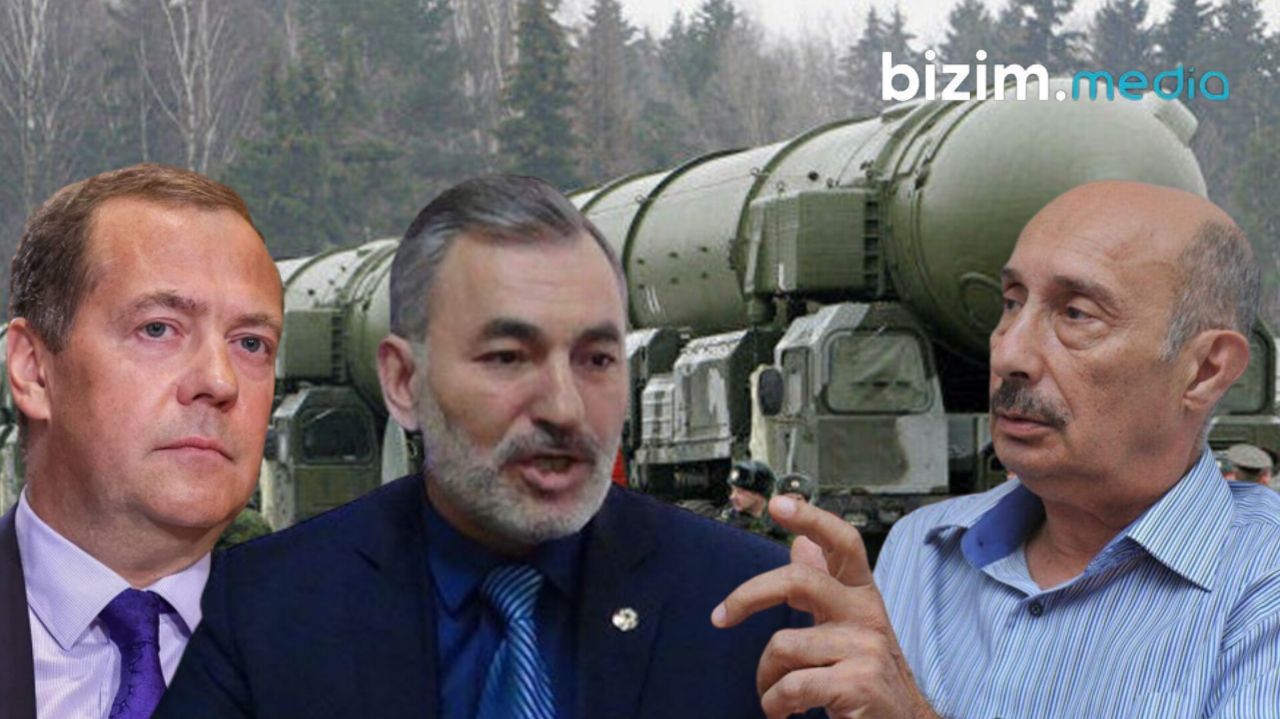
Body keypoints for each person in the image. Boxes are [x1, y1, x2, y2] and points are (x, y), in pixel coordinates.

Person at [157, 175, 816, 719]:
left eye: (596, 359)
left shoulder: (753, 606)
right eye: (507, 357)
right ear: (403, 380)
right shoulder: (268, 609)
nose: (563, 408)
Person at [714, 180, 1280, 718]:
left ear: (1205, 370)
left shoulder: (1262, 584)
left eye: (1076, 314)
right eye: (1011, 303)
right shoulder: (923, 550)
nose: (1009, 354)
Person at [0, 164, 283, 719]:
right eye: (157, 329)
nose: (220, 381)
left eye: (251, 343)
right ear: (33, 371)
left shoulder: (363, 659)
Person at [719, 459, 774, 532]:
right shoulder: (726, 523)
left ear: (759, 494)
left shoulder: (780, 521)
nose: (732, 496)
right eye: (732, 490)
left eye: (740, 492)